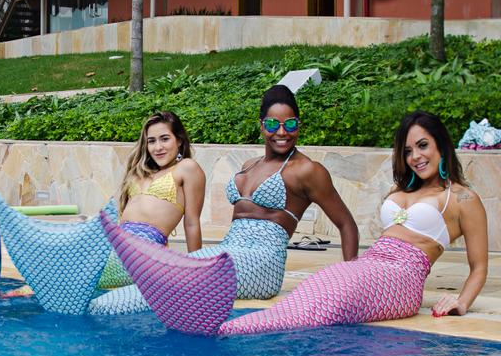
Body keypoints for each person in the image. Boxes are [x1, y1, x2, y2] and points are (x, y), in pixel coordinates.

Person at [209, 110, 488, 335]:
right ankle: (229, 330)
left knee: (329, 300)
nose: (415, 157)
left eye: (423, 145)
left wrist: (461, 302)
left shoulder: (462, 198)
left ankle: (227, 331)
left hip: (404, 277)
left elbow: (479, 267)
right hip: (370, 264)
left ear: (442, 143)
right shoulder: (400, 191)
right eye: (407, 151)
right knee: (314, 288)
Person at [90, 84, 359, 315]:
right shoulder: (250, 165)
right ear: (261, 125)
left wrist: (351, 285)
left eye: (290, 124)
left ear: (298, 125)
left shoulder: (307, 170)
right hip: (229, 252)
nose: (281, 132)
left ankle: (105, 309)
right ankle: (105, 310)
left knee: (169, 279)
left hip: (262, 262)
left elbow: (347, 224)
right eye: (272, 124)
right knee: (167, 277)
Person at [95, 111, 206, 289]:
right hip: (117, 245)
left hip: (144, 251)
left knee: (79, 271)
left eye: (164, 139)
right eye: (151, 141)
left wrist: (197, 270)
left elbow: (192, 223)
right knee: (72, 259)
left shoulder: (186, 168)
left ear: (179, 140)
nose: (158, 147)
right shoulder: (139, 173)